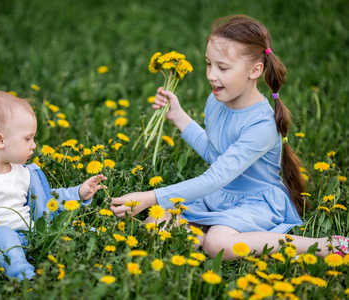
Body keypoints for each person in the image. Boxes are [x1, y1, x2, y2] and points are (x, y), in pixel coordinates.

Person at [110, 15, 348, 260]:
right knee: (155, 223)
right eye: (208, 64)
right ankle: (202, 235)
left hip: (255, 203)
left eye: (222, 68)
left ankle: (322, 245)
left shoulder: (261, 124)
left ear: (255, 70)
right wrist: (179, 116)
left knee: (218, 244)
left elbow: (216, 176)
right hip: (220, 194)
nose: (212, 75)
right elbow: (215, 154)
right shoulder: (215, 100)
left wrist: (150, 197)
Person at [0, 90, 107, 281]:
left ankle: (107, 239)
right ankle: (23, 275)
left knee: (74, 228)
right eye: (28, 138)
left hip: (34, 234)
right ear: (0, 141)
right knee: (4, 234)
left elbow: (47, 199)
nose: (34, 145)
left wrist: (78, 192)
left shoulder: (25, 173)